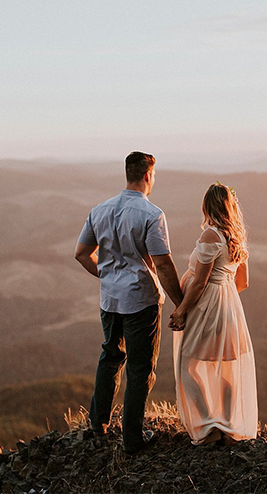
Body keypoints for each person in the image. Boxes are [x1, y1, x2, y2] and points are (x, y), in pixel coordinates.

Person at [75, 151, 183, 454]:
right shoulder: (152, 215)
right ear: (148, 176)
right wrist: (181, 304)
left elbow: (81, 253)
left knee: (110, 357)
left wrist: (108, 277)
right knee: (140, 369)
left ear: (128, 174)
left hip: (110, 299)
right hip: (141, 301)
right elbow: (162, 264)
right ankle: (133, 439)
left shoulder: (99, 210)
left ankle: (99, 424)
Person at [169, 183, 257, 446]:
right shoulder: (236, 237)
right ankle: (230, 427)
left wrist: (182, 310)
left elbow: (200, 282)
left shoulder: (211, 235)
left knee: (187, 365)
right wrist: (225, 299)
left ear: (207, 206)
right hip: (229, 305)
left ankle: (208, 425)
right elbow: (243, 282)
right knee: (227, 365)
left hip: (208, 306)